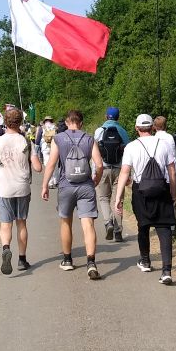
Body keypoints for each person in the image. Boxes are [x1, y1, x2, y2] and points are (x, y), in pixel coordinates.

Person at [41, 108, 104, 279]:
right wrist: (95, 180)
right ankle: (91, 262)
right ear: (81, 122)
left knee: (65, 223)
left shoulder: (58, 139)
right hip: (86, 186)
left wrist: (45, 185)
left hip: (65, 185)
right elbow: (99, 164)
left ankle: (67, 260)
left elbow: (52, 164)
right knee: (88, 224)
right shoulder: (90, 139)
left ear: (67, 122)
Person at [114, 113, 176, 283]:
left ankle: (145, 260)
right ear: (152, 127)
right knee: (164, 229)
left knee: (143, 226)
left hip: (140, 190)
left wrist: (118, 198)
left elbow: (125, 172)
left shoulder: (131, 147)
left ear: (136, 128)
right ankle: (166, 271)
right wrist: (173, 193)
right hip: (161, 189)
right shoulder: (164, 145)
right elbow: (172, 172)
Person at [0, 106, 43, 275]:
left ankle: (6, 248)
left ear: (4, 122)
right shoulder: (26, 142)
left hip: (4, 189)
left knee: (5, 224)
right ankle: (22, 259)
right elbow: (37, 168)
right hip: (22, 188)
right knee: (21, 223)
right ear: (20, 122)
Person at [93, 107, 130, 242]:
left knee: (103, 198)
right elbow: (128, 151)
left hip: (103, 169)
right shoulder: (123, 131)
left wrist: (94, 171)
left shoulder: (99, 131)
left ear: (105, 116)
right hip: (119, 170)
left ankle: (108, 222)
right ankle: (118, 230)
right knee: (117, 199)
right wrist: (128, 173)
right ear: (118, 117)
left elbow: (94, 152)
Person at [153, 115, 176, 238]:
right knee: (173, 198)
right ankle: (173, 226)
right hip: (174, 172)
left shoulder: (153, 139)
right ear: (166, 126)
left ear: (154, 127)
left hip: (159, 174)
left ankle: (163, 224)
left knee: (161, 200)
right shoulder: (173, 137)